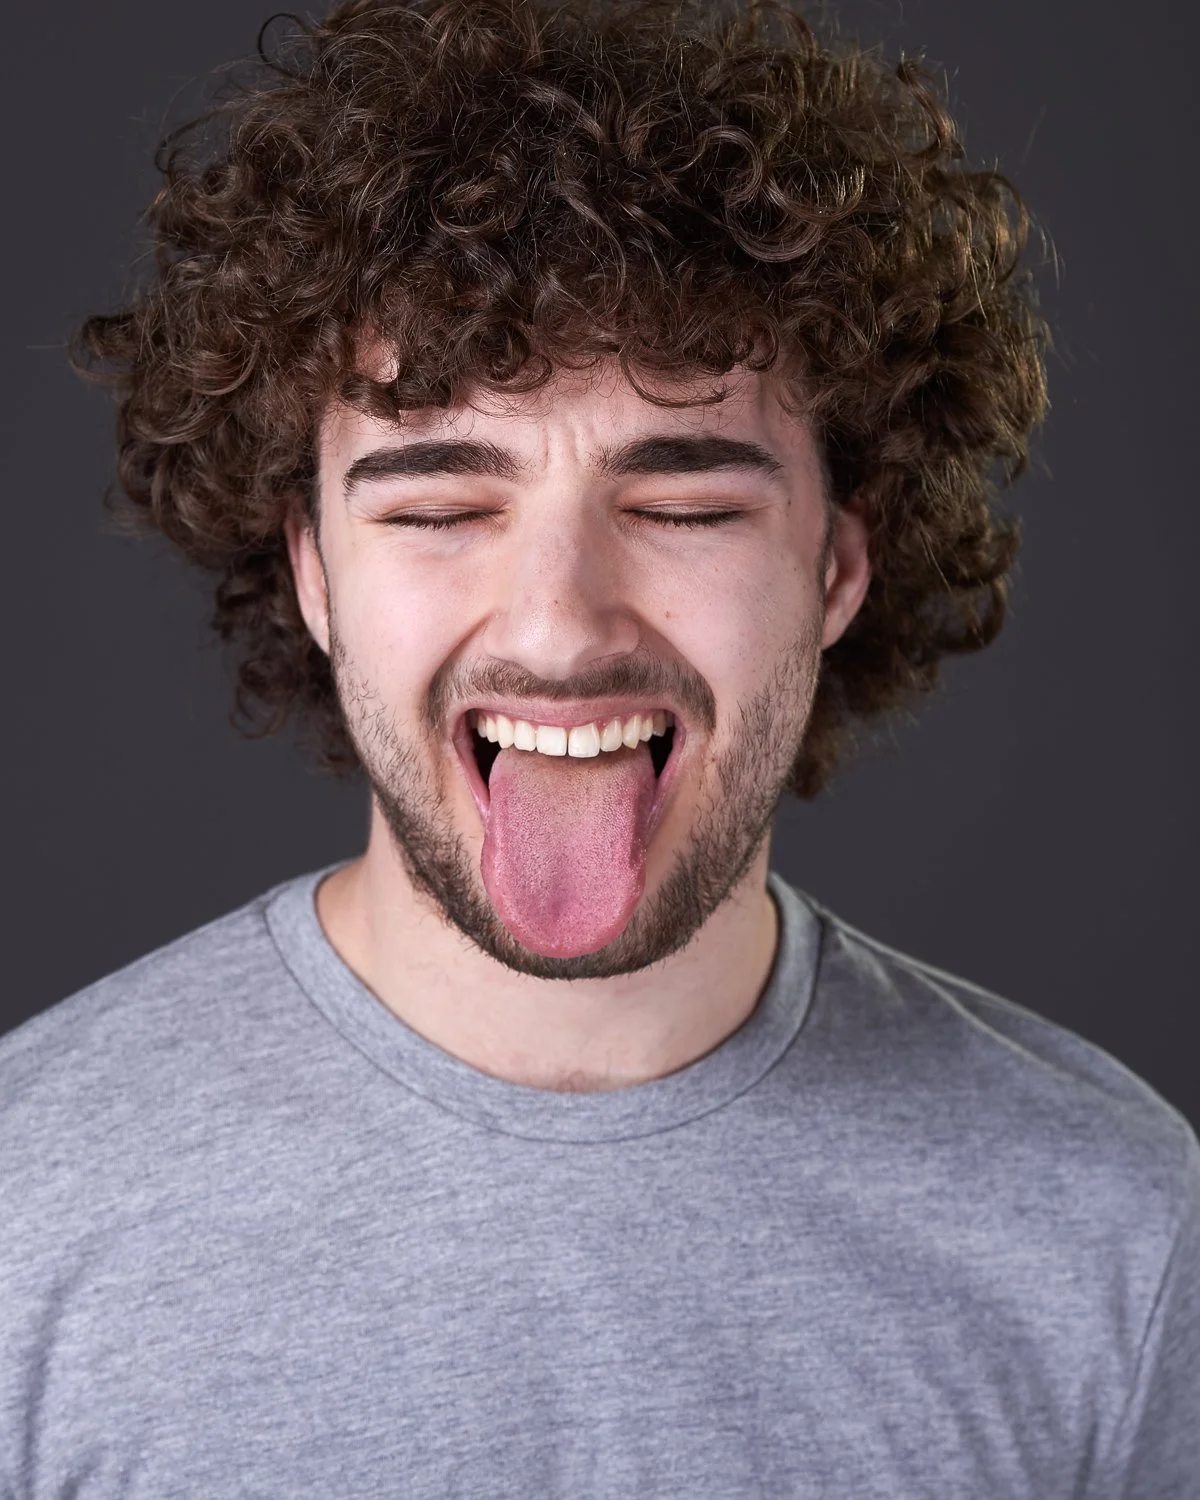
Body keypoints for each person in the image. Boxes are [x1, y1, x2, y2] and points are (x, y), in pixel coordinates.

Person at [2, 0, 1196, 1494]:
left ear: (836, 566)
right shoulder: (22, 1215)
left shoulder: (1119, 1233)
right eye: (439, 506)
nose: (561, 629)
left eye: (686, 506)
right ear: (313, 571)